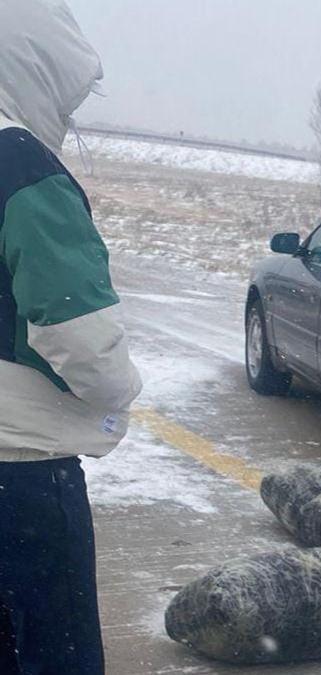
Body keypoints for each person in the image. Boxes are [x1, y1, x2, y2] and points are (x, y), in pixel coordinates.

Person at [0, 1, 142, 672]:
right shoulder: (22, 166)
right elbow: (85, 341)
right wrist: (121, 395)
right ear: (37, 66)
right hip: (22, 480)